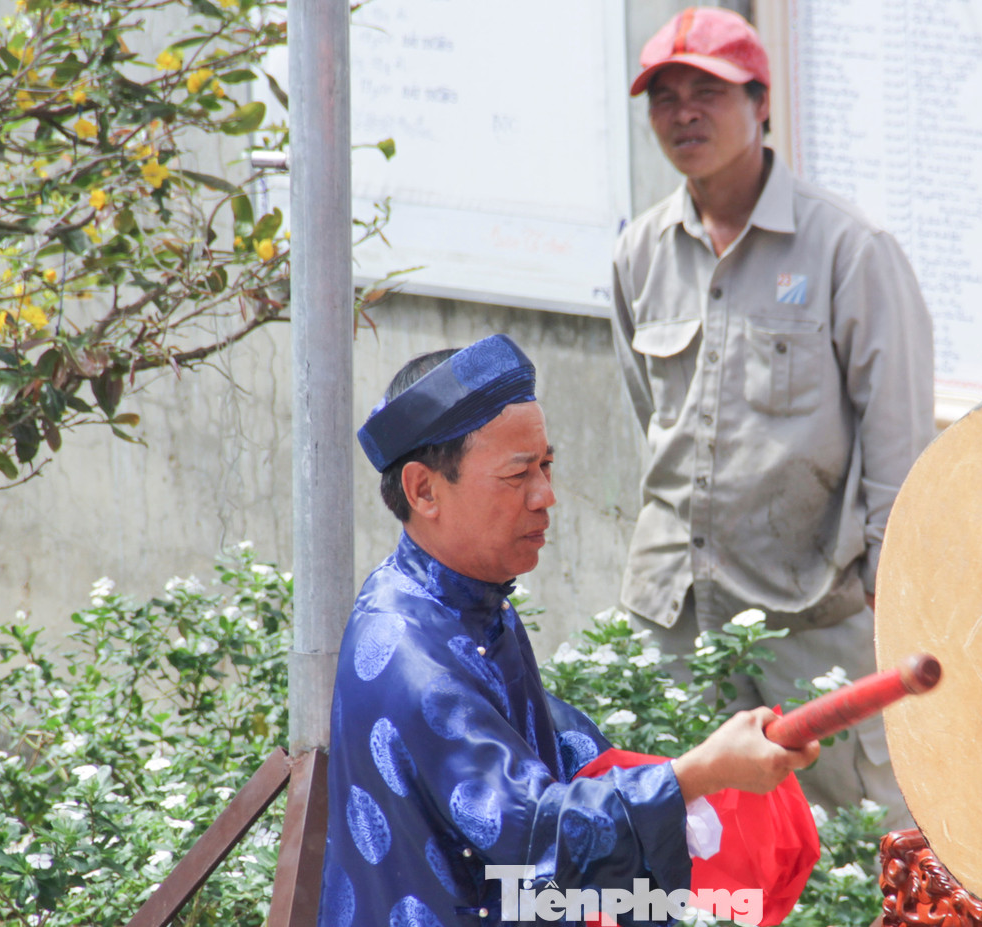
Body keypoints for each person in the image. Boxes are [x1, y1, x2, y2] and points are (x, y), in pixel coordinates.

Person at [318, 334, 819, 927]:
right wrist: (699, 774)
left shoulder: (468, 602)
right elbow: (533, 833)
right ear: (424, 489)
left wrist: (700, 774)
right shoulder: (406, 649)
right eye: (518, 475)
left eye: (547, 466)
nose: (546, 496)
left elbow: (545, 745)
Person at [610, 7, 934, 825]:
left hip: (812, 620)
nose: (684, 113)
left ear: (761, 105)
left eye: (707, 93)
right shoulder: (640, 253)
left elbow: (898, 445)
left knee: (854, 843)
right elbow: (650, 417)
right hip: (679, 620)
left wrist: (887, 596)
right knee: (695, 845)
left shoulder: (847, 250)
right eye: (665, 96)